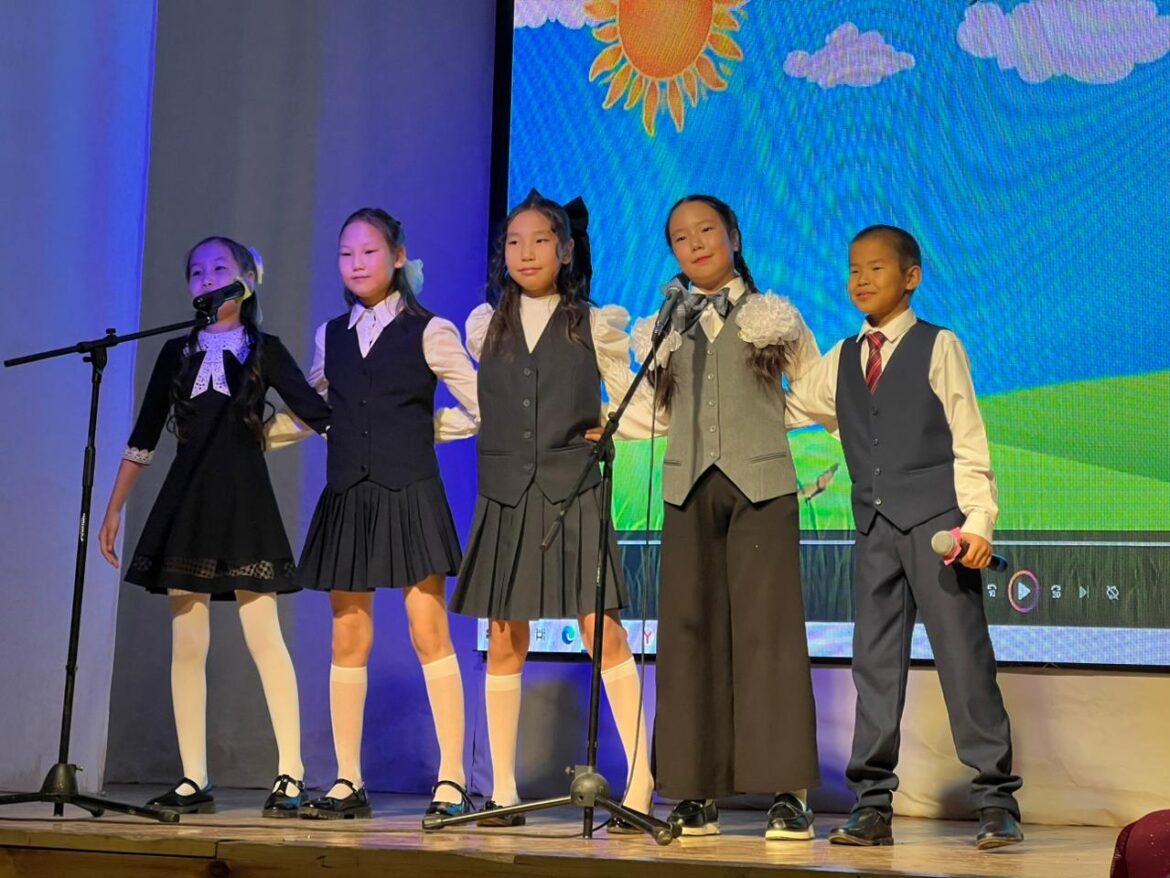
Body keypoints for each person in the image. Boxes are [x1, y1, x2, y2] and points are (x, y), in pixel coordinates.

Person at [789, 224, 1023, 849]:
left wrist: (978, 522)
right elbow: (792, 408)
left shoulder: (938, 345)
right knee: (874, 667)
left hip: (939, 527)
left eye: (876, 268)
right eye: (853, 269)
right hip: (874, 530)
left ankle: (996, 800)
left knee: (963, 660)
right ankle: (871, 805)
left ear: (911, 276)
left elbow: (969, 437)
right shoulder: (842, 356)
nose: (861, 279)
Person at [98, 236, 330, 817]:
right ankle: (193, 776)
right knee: (188, 642)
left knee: (264, 637)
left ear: (247, 279)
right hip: (188, 502)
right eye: (196, 272)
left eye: (219, 268)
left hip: (245, 501)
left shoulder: (264, 349)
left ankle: (291, 772)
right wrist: (114, 507)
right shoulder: (175, 351)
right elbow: (144, 436)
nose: (206, 279)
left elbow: (315, 410)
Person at [451, 191, 654, 831]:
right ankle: (502, 792)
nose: (526, 253)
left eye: (540, 240)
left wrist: (608, 427)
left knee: (602, 630)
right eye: (515, 242)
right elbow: (483, 404)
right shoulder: (485, 324)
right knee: (505, 637)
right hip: (506, 492)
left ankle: (641, 782)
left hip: (574, 490)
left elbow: (635, 401)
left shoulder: (592, 322)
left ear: (565, 251)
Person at [629, 194, 822, 840]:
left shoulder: (772, 315)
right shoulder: (666, 324)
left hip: (760, 487)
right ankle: (694, 790)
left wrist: (764, 426)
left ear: (734, 236)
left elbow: (815, 390)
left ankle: (788, 793)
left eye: (707, 230)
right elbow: (655, 412)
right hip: (687, 490)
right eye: (681, 237)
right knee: (688, 636)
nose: (695, 244)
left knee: (769, 635)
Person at [292, 208, 479, 821]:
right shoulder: (330, 335)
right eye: (346, 254)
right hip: (350, 492)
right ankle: (348, 779)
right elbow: (314, 407)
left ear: (398, 257)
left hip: (410, 489)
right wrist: (256, 435)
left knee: (429, 632)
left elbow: (480, 405)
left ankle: (453, 779)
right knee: (347, 633)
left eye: (369, 252)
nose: (356, 264)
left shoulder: (430, 330)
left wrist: (426, 430)